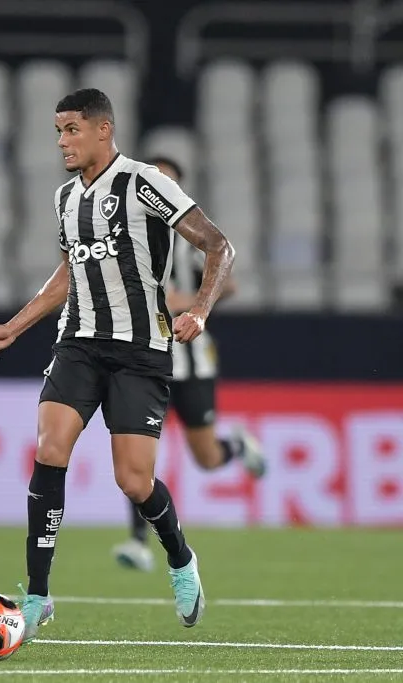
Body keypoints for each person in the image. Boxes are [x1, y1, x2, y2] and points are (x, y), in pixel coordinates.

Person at [0, 89, 235, 638]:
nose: (62, 141)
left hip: (141, 351)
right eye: (58, 130)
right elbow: (68, 274)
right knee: (49, 447)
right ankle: (38, 595)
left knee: (134, 481)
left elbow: (217, 245)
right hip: (80, 343)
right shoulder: (66, 196)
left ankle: (181, 559)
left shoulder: (144, 183)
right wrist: (14, 327)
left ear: (102, 130)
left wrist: (202, 310)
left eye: (71, 129)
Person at [112, 157, 266, 573]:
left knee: (207, 457)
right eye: (154, 178)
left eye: (168, 180)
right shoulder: (124, 234)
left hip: (191, 360)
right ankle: (137, 541)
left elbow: (226, 279)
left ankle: (236, 447)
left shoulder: (187, 236)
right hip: (145, 359)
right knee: (138, 452)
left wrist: (192, 302)